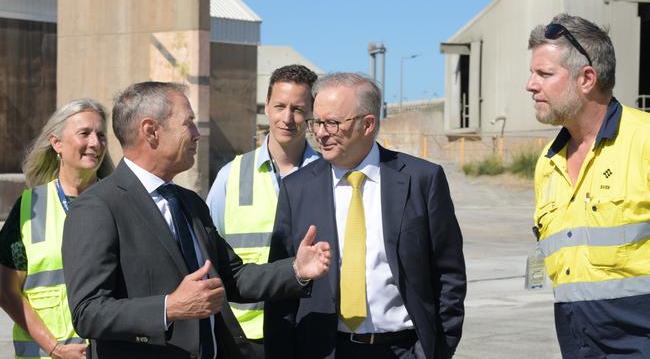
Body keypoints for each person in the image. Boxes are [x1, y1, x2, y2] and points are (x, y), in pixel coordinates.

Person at [60, 81, 330, 359]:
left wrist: (296, 269)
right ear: (151, 131)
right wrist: (169, 308)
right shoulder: (97, 207)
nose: (197, 134)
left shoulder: (189, 203)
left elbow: (230, 277)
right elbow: (88, 312)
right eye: (188, 123)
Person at [265, 73, 466, 359]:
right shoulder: (297, 189)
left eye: (332, 123)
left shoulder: (422, 180)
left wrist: (435, 352)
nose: (320, 133)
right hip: (323, 350)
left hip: (403, 349)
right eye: (316, 122)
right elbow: (281, 289)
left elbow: (449, 276)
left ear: (367, 124)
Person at [526, 13, 650, 358]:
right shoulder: (548, 165)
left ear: (586, 79)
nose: (530, 85)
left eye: (544, 74)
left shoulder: (645, 141)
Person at [205, 64, 319, 356]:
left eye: (297, 108)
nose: (287, 118)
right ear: (266, 106)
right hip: (245, 335)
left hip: (310, 328)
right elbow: (207, 254)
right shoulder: (231, 175)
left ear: (311, 113)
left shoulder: (328, 176)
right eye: (280, 106)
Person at [0, 99, 112, 359]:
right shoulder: (29, 208)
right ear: (57, 143)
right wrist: (54, 348)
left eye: (101, 135)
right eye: (84, 133)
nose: (95, 143)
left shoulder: (120, 203)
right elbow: (6, 290)